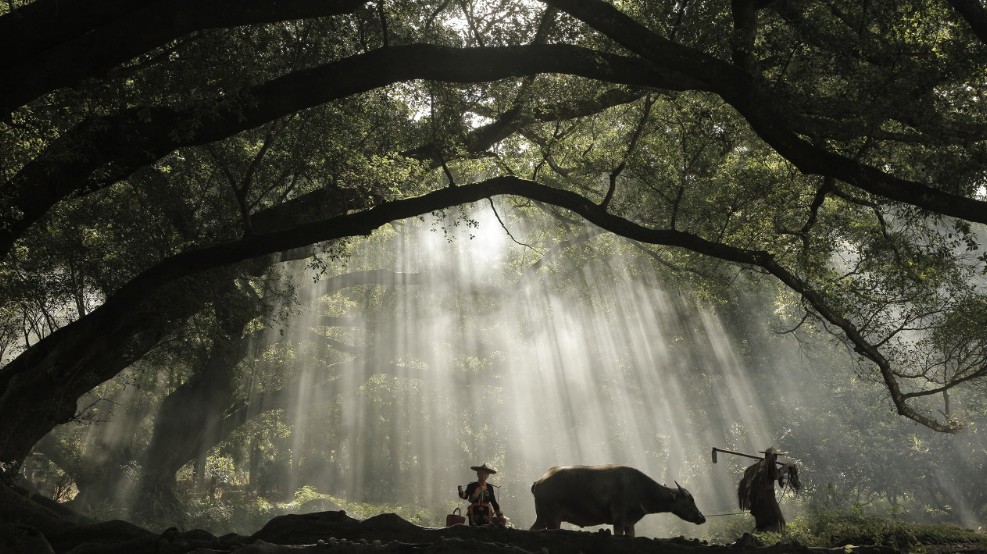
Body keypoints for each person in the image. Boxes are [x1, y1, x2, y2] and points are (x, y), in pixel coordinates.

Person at [737, 447, 791, 532]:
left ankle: (762, 538)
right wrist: (785, 467)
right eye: (775, 457)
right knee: (774, 521)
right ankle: (767, 539)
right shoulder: (764, 467)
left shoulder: (759, 467)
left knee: (762, 523)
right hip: (767, 498)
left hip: (757, 501)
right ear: (775, 457)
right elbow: (776, 475)